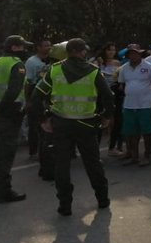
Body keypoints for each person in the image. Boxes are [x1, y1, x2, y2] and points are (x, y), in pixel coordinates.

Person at [30, 38, 115, 216]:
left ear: (68, 52)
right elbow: (108, 97)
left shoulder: (54, 70)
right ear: (82, 51)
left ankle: (65, 205)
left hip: (61, 123)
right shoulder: (94, 71)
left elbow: (36, 96)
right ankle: (103, 200)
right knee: (93, 163)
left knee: (61, 164)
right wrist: (107, 117)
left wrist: (43, 119)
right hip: (86, 123)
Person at [0, 35, 33, 203]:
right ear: (15, 48)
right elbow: (13, 91)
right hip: (8, 113)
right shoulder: (17, 65)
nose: (25, 50)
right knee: (5, 153)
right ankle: (4, 192)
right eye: (23, 47)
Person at [117, 44, 151, 166]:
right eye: (130, 54)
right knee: (131, 132)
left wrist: (146, 96)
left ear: (140, 53)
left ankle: (147, 154)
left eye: (135, 53)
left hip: (145, 104)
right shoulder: (124, 68)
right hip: (129, 105)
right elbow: (122, 85)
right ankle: (134, 155)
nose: (133, 56)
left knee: (147, 131)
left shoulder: (149, 66)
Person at [24, 38, 52, 160]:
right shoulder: (31, 62)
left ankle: (45, 149)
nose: (48, 48)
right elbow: (28, 82)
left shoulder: (52, 61)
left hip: (49, 95)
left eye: (50, 46)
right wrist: (28, 100)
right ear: (38, 47)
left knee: (46, 123)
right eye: (45, 45)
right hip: (35, 93)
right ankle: (33, 151)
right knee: (34, 124)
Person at [97, 42, 123, 156]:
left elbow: (120, 78)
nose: (111, 52)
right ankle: (95, 150)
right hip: (101, 94)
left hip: (115, 92)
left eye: (113, 50)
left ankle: (113, 146)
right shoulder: (97, 62)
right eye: (109, 50)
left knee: (118, 120)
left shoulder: (117, 63)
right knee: (99, 120)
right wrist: (99, 65)